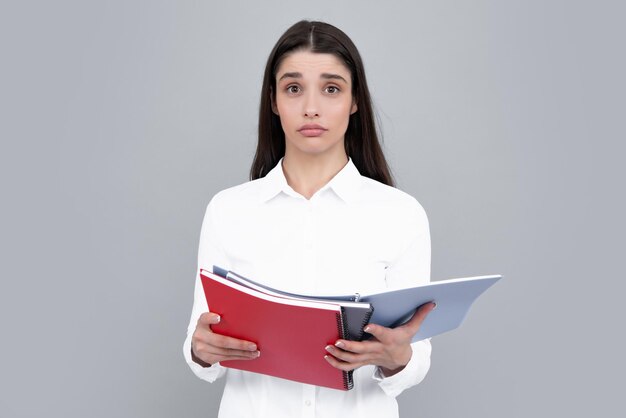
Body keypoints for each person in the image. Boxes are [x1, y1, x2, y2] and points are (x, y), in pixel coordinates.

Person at [183, 20, 435, 418]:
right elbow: (199, 343)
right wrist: (201, 351)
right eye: (293, 88)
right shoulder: (228, 211)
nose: (311, 107)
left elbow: (415, 358)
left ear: (355, 101)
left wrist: (397, 357)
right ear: (273, 100)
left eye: (331, 88)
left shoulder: (401, 215)